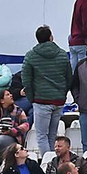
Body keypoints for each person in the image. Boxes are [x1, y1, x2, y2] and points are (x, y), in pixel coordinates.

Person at [21, 26, 71, 156]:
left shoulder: (31, 56)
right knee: (52, 135)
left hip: (41, 100)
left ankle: (48, 164)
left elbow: (26, 80)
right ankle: (53, 163)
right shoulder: (62, 54)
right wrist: (63, 94)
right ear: (51, 37)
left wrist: (32, 98)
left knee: (41, 136)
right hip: (58, 100)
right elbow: (68, 77)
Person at [0, 90, 29, 161]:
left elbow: (26, 125)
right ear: (2, 100)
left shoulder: (18, 111)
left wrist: (12, 131)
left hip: (12, 138)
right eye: (7, 95)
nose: (11, 95)